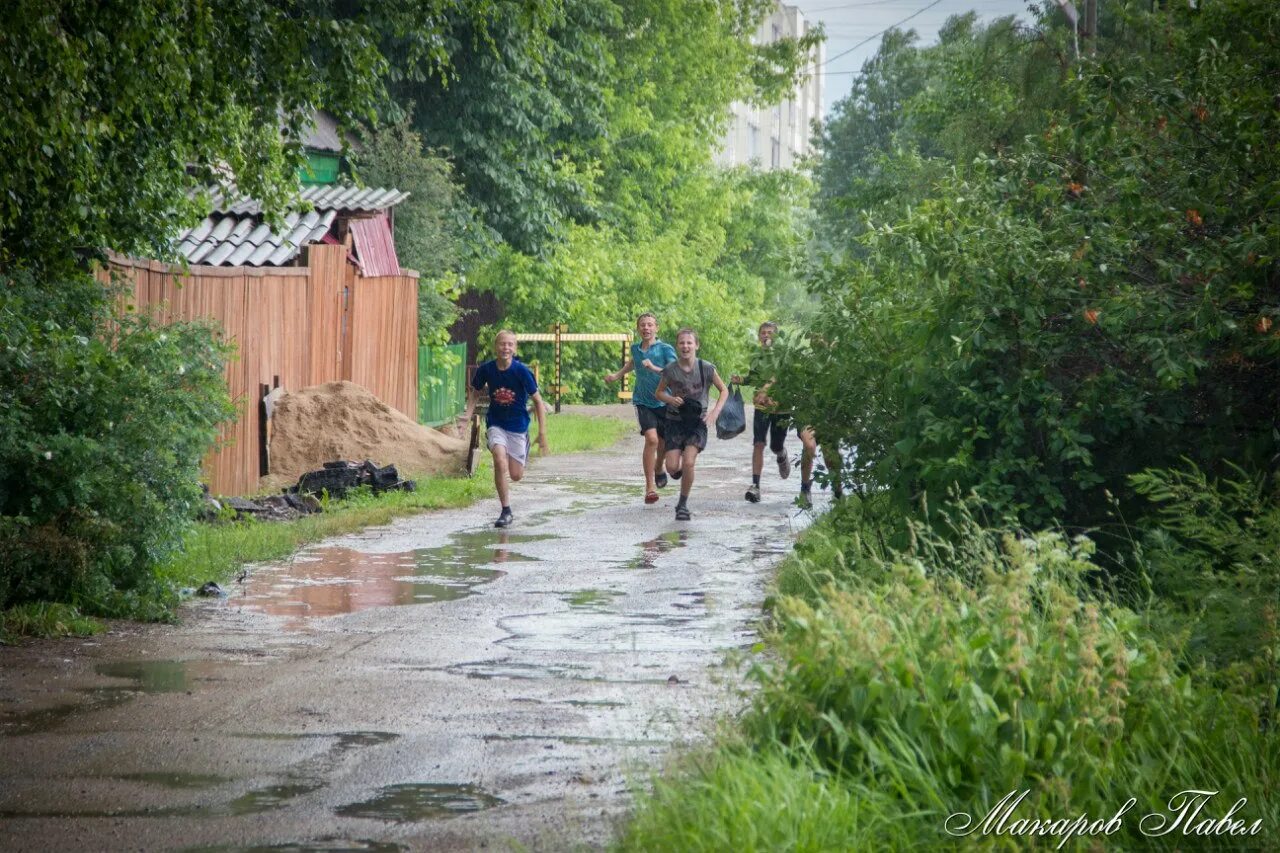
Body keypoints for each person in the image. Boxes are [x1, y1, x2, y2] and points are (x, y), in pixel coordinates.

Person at [733, 321, 821, 506]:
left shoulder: (784, 355)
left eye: (770, 332)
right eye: (763, 333)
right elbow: (753, 377)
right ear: (759, 337)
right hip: (762, 408)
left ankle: (782, 455)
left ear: (777, 337)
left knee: (775, 446)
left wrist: (766, 389)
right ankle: (755, 486)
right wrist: (741, 380)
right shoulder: (756, 356)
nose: (766, 335)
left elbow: (780, 375)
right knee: (758, 443)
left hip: (782, 407)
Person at [470, 329, 549, 528]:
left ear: (515, 348)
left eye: (510, 344)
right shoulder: (486, 369)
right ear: (495, 347)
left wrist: (542, 434)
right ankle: (506, 510)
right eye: (502, 344)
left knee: (516, 475)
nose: (506, 347)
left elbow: (538, 402)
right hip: (496, 423)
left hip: (518, 427)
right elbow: (475, 392)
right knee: (498, 459)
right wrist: (467, 414)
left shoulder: (521, 371)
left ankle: (525, 443)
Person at [655, 328, 728, 521]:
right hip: (674, 422)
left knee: (688, 462)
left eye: (689, 343)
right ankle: (675, 471)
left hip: (697, 423)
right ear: (677, 346)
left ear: (696, 345)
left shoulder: (706, 368)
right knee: (672, 467)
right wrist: (671, 400)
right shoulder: (671, 369)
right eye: (681, 343)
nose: (685, 346)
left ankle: (682, 504)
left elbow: (724, 391)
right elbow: (659, 393)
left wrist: (714, 413)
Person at [605, 312, 678, 504]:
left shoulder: (665, 349)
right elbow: (633, 363)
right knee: (652, 440)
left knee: (663, 444)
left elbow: (674, 372)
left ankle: (659, 467)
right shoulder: (635, 348)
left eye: (650, 325)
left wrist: (654, 367)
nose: (646, 328)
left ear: (656, 328)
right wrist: (617, 375)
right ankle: (649, 487)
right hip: (643, 401)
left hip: (665, 400)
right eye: (642, 325)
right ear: (638, 329)